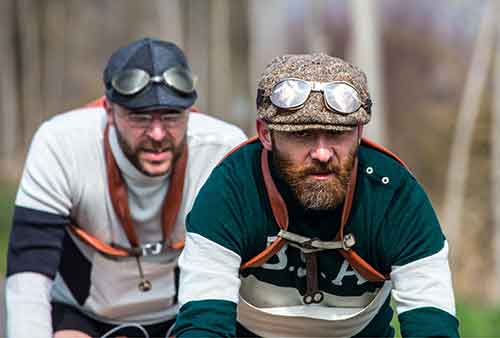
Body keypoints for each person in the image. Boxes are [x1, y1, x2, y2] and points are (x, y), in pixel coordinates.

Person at [172, 53, 460, 338]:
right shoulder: (231, 188)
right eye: (302, 135)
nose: (322, 153)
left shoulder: (394, 195)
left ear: (359, 132)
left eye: (337, 134)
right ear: (265, 134)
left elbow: (433, 327)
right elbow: (202, 326)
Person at [5, 37, 247, 338]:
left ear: (189, 111)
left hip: (182, 311)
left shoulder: (224, 149)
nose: (157, 134)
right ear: (108, 110)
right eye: (139, 117)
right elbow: (28, 271)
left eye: (172, 116)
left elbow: (242, 267)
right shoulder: (60, 143)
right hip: (83, 313)